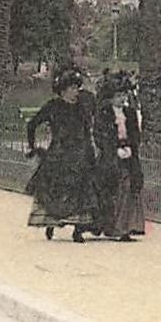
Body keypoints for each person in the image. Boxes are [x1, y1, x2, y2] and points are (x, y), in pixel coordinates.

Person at [24, 67, 100, 242]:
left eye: (76, 88)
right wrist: (32, 146)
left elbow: (90, 128)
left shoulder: (83, 106)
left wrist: (92, 148)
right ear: (63, 90)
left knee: (82, 192)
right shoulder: (53, 107)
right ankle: (51, 223)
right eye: (71, 88)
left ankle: (78, 230)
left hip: (81, 154)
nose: (75, 92)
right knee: (56, 191)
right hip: (60, 155)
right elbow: (33, 124)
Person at [93, 75, 145, 241]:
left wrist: (131, 146)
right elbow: (100, 136)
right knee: (112, 189)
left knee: (128, 187)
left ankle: (126, 227)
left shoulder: (130, 113)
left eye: (124, 95)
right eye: (118, 96)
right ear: (110, 97)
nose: (122, 99)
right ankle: (112, 226)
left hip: (128, 156)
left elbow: (136, 133)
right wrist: (114, 150)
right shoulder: (104, 113)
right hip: (110, 157)